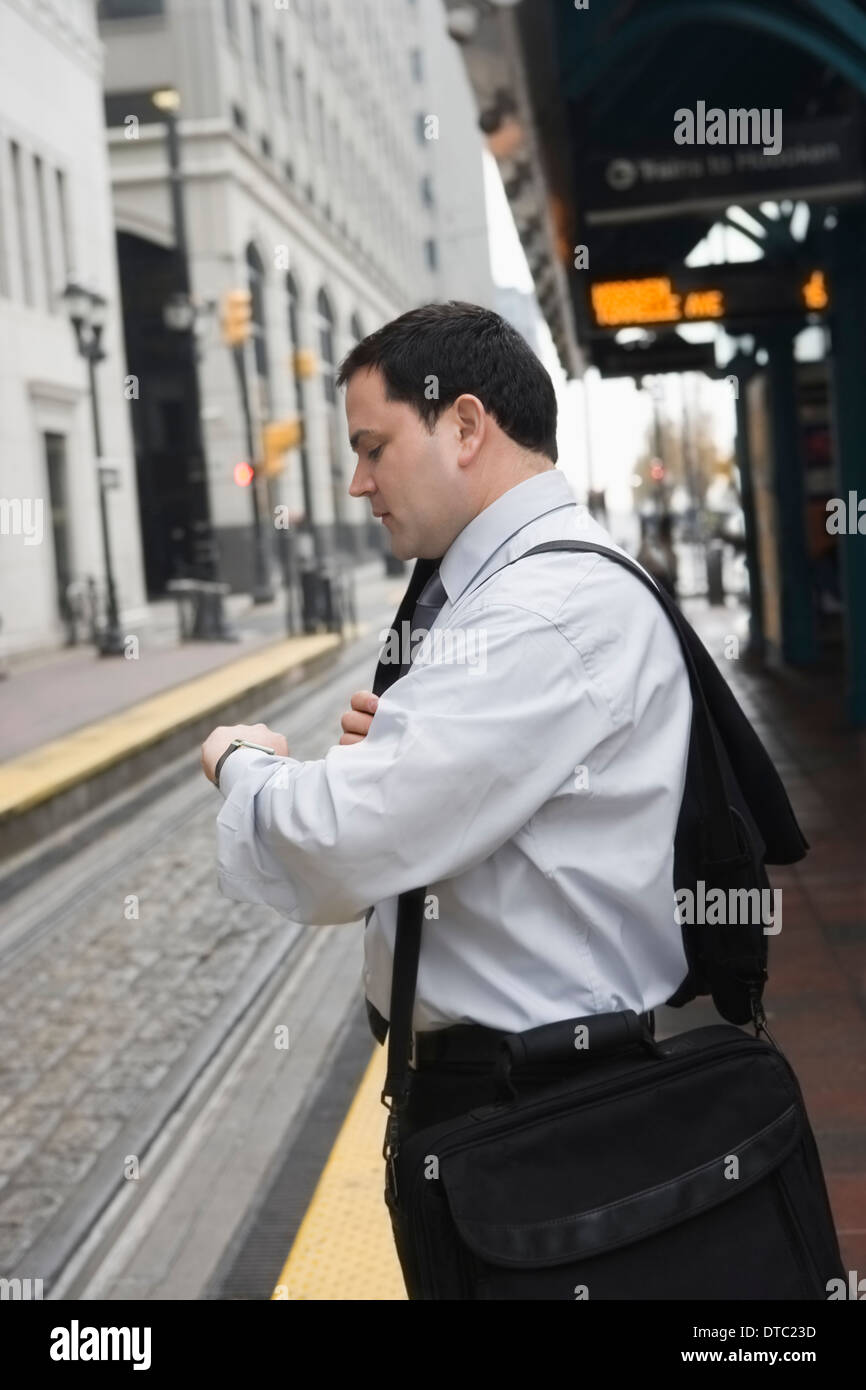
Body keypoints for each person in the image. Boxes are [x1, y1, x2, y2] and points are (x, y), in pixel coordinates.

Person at [200, 301, 692, 1290]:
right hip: (518, 1105)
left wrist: (243, 760)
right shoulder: (511, 594)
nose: (356, 481)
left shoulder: (538, 612)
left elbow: (336, 843)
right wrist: (407, 752)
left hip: (537, 1121)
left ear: (464, 426)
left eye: (373, 446)